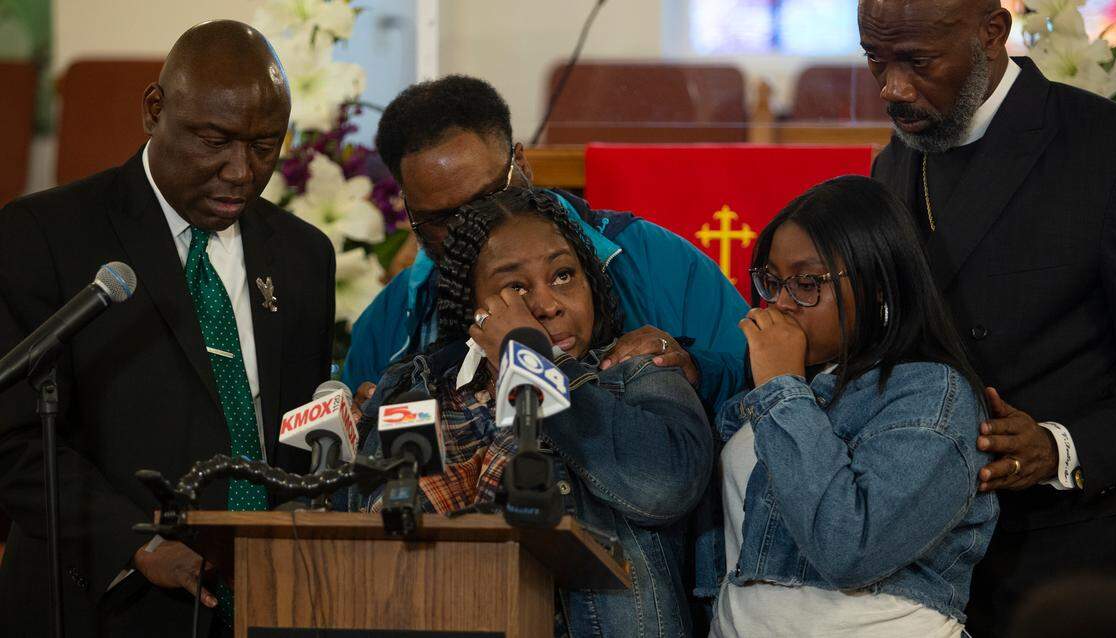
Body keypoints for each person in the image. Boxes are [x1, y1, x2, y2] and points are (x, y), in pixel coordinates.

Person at [0, 21, 335, 637]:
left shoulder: (304, 256)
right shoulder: (43, 236)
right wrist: (140, 544)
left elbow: (295, 442)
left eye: (265, 146)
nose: (240, 171)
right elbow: (13, 439)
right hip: (100, 606)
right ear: (155, 110)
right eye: (215, 140)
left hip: (265, 605)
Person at [860, 1, 1116, 634]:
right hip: (929, 560)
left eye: (917, 61)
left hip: (1074, 556)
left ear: (992, 32)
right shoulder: (892, 163)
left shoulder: (1115, 152)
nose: (892, 88)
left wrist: (1062, 445)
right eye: (875, 60)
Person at [355, 187, 713, 637]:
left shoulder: (637, 374)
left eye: (563, 275)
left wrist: (538, 364)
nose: (547, 304)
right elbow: (372, 543)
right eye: (516, 287)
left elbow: (664, 488)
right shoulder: (418, 393)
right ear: (474, 309)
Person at [342, 75, 748, 411]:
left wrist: (697, 369)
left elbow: (760, 378)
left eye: (487, 198)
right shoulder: (390, 320)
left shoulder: (657, 263)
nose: (474, 227)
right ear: (410, 211)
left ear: (522, 163)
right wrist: (365, 427)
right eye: (445, 218)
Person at [704, 176, 997, 637]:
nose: (781, 303)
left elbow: (849, 547)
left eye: (806, 283)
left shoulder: (932, 392)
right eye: (772, 282)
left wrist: (781, 385)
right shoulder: (779, 389)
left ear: (879, 286)